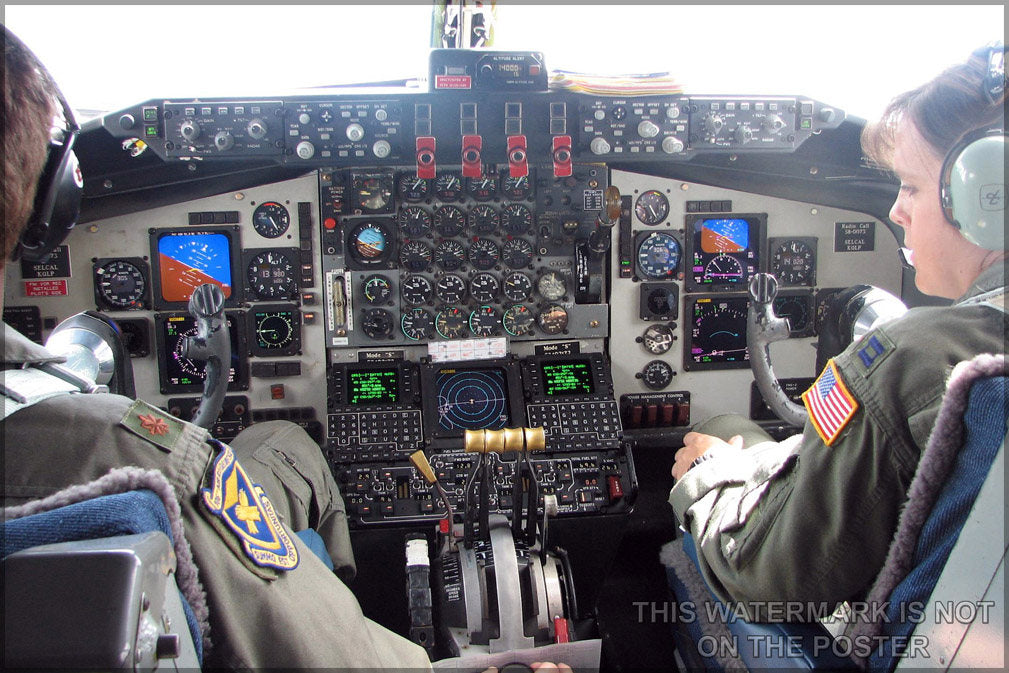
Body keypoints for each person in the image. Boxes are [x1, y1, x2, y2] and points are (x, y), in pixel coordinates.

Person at [1, 26, 431, 669]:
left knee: (272, 443)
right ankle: (328, 596)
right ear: (49, 204)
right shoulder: (133, 457)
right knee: (285, 441)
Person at [668, 43, 1007, 614]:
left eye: (911, 186)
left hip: (893, 632)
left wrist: (711, 474)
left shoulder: (912, 358)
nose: (895, 211)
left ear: (988, 198)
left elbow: (766, 574)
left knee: (722, 428)